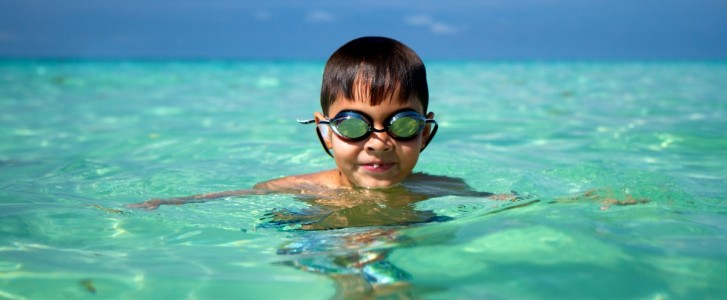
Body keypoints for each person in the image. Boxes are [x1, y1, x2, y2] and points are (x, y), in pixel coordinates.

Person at [130, 36, 507, 223]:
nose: (378, 143)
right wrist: (165, 203)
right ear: (325, 130)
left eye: (402, 124)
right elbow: (234, 197)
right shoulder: (302, 188)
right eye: (352, 124)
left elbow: (503, 202)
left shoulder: (444, 189)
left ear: (424, 132)